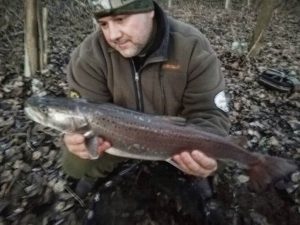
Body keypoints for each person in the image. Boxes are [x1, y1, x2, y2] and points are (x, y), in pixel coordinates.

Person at [62, 0, 230, 197]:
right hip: (117, 137)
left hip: (177, 137)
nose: (113, 35)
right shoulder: (89, 55)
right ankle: (95, 175)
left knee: (220, 157)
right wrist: (77, 140)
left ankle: (194, 174)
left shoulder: (191, 46)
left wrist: (202, 159)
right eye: (104, 24)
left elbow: (210, 113)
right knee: (74, 164)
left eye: (120, 19)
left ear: (150, 10)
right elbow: (84, 110)